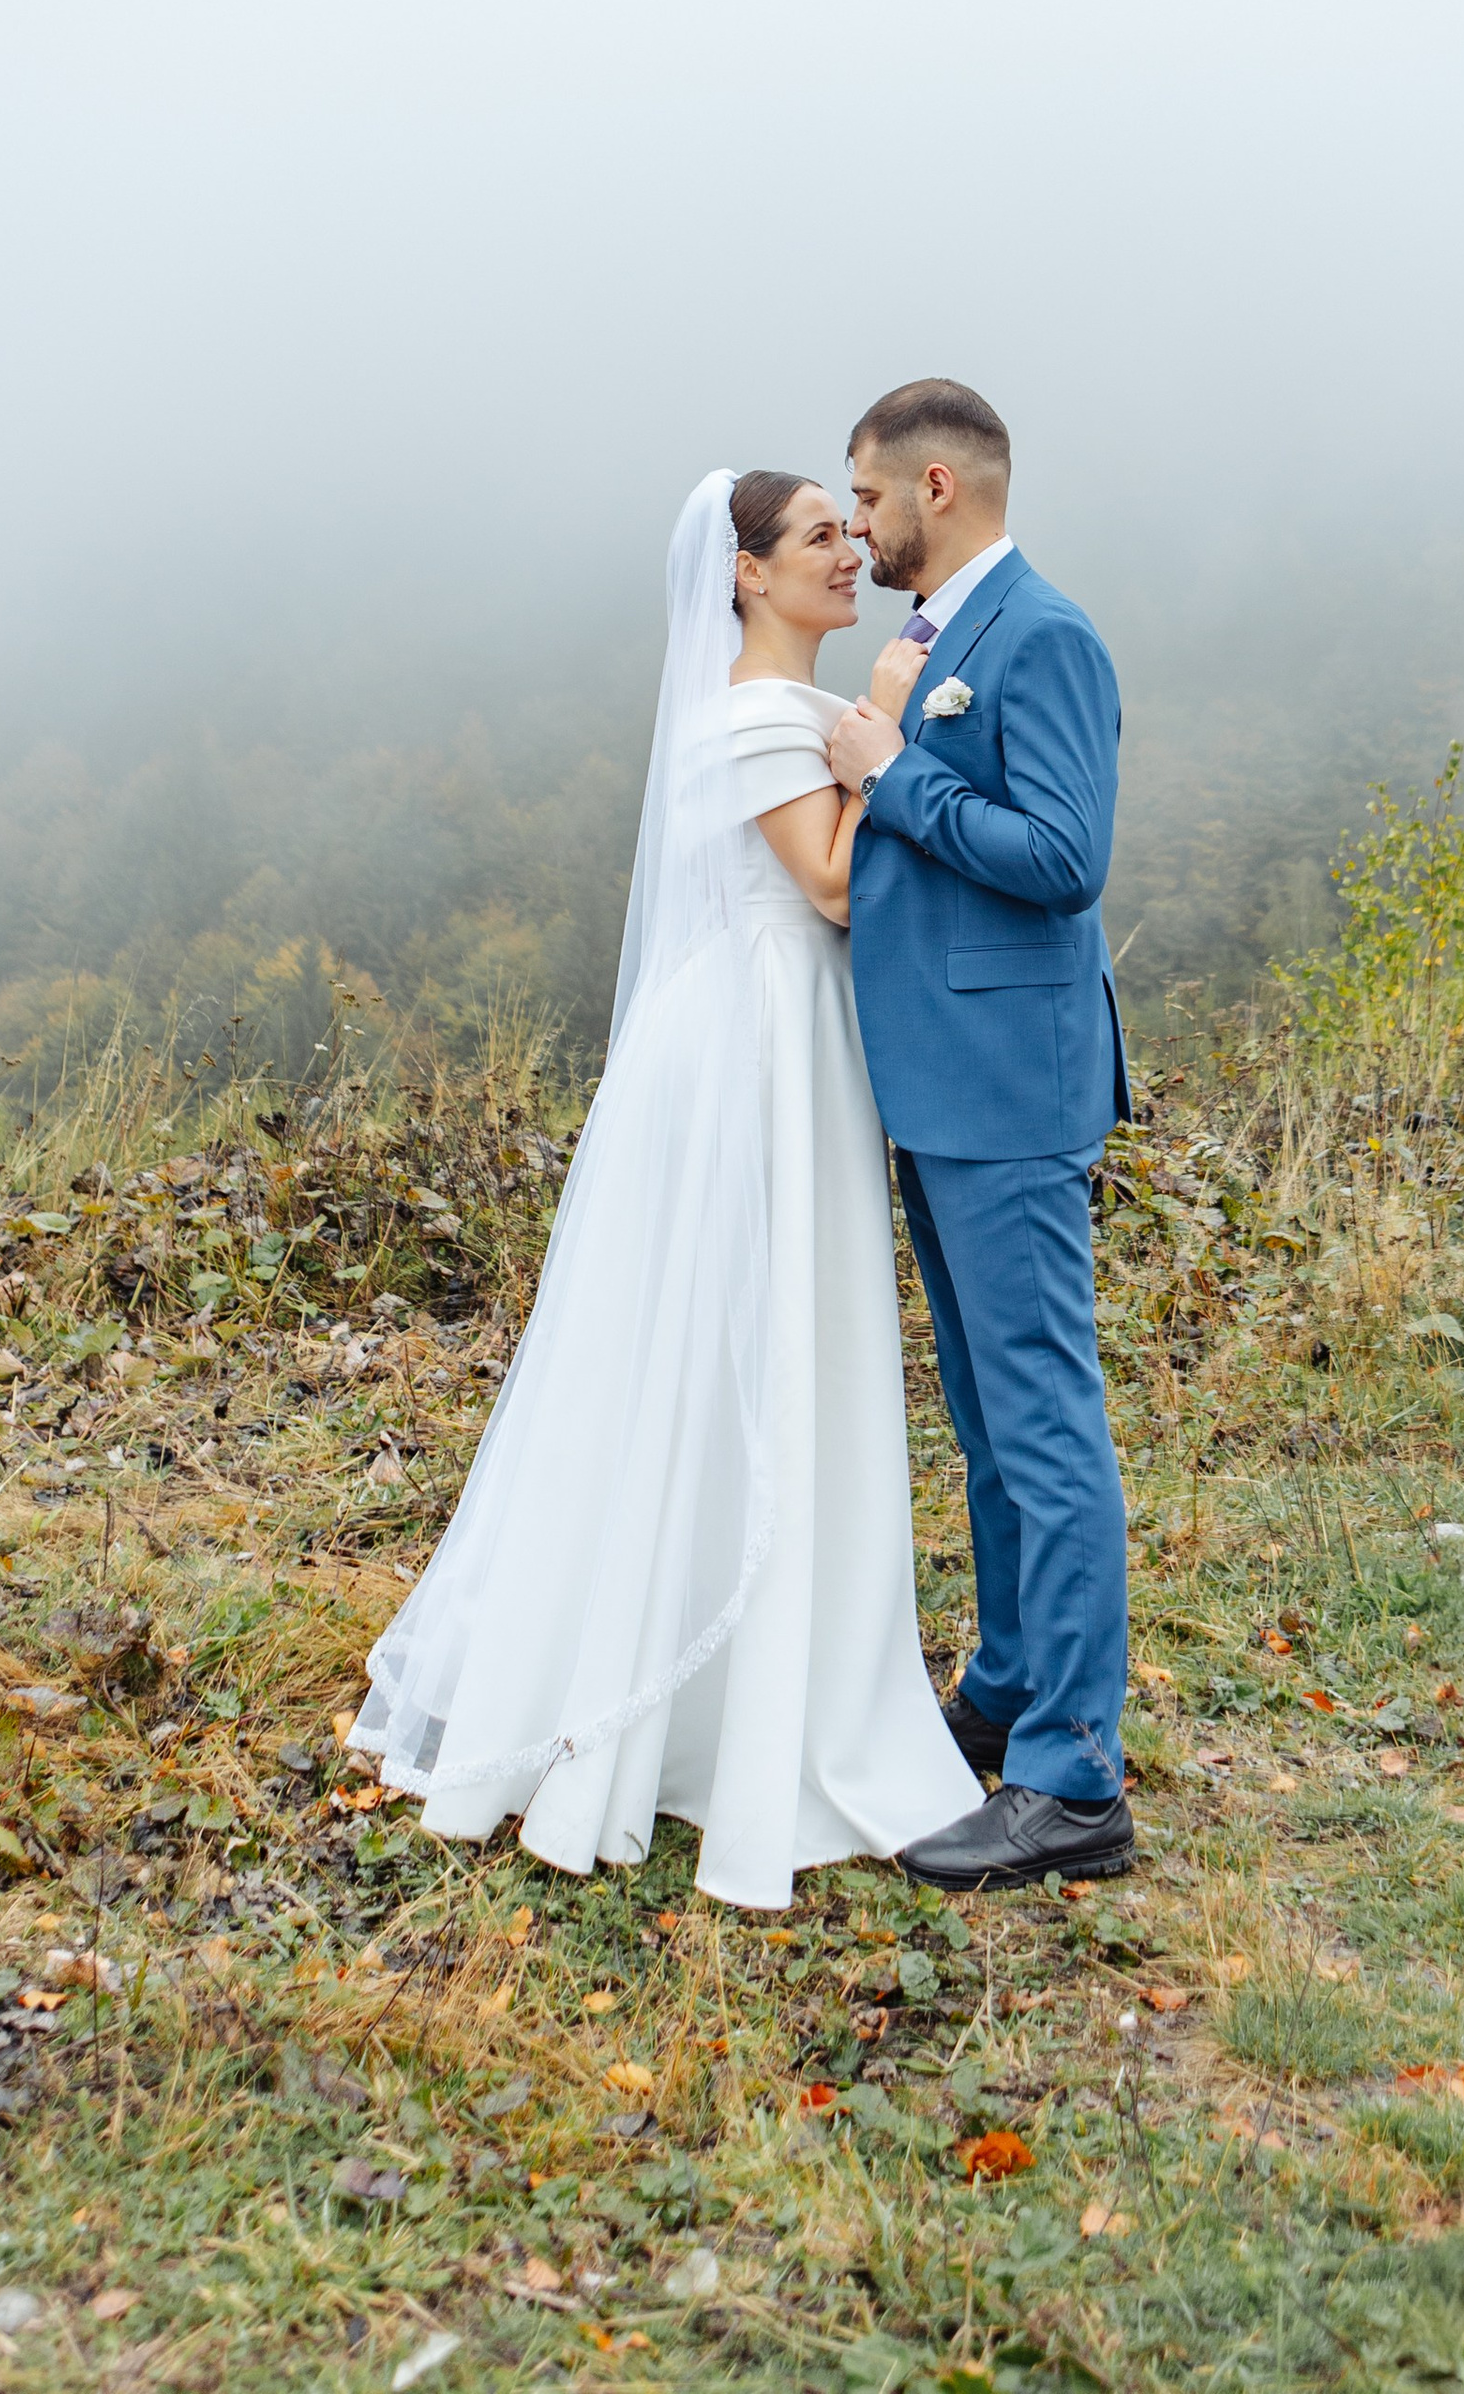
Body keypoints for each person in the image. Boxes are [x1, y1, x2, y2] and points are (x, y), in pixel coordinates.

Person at [347, 467, 979, 1908]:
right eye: (819, 534)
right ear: (748, 574)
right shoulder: (758, 717)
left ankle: (787, 1667)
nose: (849, 550)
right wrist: (882, 724)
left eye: (847, 528)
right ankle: (682, 1694)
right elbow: (826, 883)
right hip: (752, 1046)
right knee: (723, 1343)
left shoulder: (806, 714)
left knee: (779, 1337)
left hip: (801, 1038)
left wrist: (869, 729)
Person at [829, 378, 1134, 1890]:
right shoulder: (937, 640)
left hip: (1012, 1088)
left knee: (1044, 1419)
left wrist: (897, 780)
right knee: (986, 1415)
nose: (863, 528)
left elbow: (1066, 861)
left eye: (871, 500)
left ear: (937, 486)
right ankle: (1007, 1693)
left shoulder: (1047, 637)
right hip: (944, 1087)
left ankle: (1076, 1780)